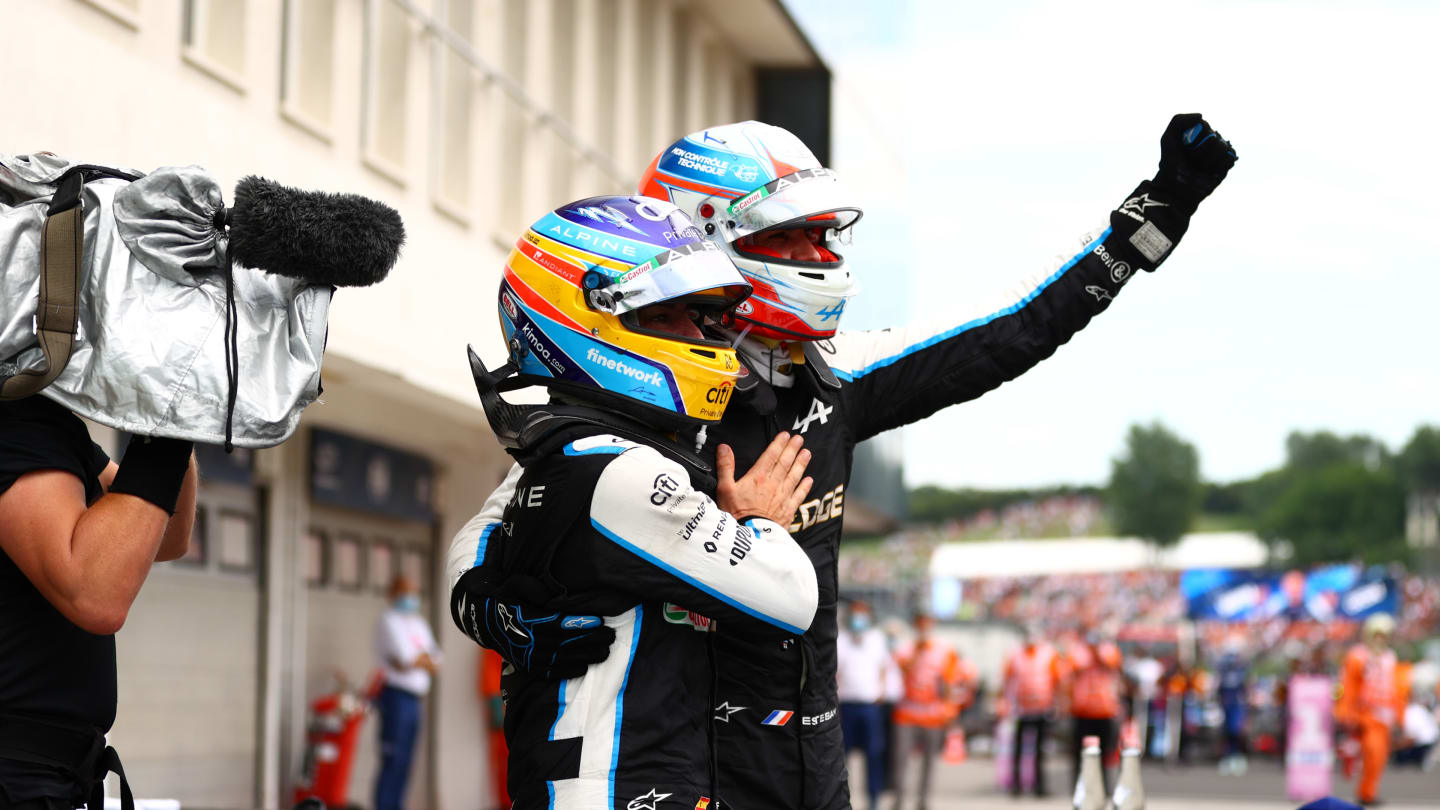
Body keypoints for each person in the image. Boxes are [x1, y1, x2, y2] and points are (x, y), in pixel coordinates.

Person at [462, 114, 1237, 809]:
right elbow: (506, 516)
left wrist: (1151, 220)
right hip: (691, 761)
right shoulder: (643, 390)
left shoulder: (838, 369)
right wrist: (492, 610)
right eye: (787, 236)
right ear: (706, 237)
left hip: (814, 747)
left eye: (823, 232)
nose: (816, 254)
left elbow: (1015, 329)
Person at [446, 195, 819, 808]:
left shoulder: (574, 453)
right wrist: (759, 519)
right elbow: (792, 596)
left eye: (699, 318)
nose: (701, 336)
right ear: (591, 320)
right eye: (672, 316)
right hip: (616, 788)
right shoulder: (621, 473)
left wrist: (483, 604)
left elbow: (476, 540)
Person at [0, 395, 197, 810]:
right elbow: (95, 594)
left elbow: (169, 535)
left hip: (50, 774)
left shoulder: (54, 432)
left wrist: (185, 413)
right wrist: (174, 401)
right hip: (16, 773)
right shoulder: (13, 424)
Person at [373, 574, 443, 810]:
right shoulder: (388, 620)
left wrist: (419, 660)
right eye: (405, 592)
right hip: (395, 698)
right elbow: (405, 659)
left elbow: (436, 660)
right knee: (392, 760)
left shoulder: (418, 623)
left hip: (414, 700)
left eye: (413, 592)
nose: (410, 598)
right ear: (393, 594)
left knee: (406, 763)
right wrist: (421, 658)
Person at [1336, 613, 1408, 805]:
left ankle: (1367, 792)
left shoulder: (1390, 657)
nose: (1380, 639)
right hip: (1365, 714)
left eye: (1384, 635)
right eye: (1377, 635)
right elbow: (1348, 686)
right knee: (1372, 752)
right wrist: (1346, 712)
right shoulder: (1358, 656)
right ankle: (1365, 793)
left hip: (1385, 716)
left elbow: (1396, 689)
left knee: (1379, 758)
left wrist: (1400, 716)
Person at [891, 614, 961, 810]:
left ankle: (923, 800)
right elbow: (902, 670)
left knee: (929, 762)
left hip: (933, 714)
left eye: (927, 623)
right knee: (901, 760)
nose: (924, 627)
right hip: (906, 714)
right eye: (920, 623)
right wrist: (917, 651)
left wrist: (950, 710)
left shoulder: (945, 650)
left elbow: (949, 682)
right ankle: (899, 798)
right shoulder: (905, 648)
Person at [836, 602, 894, 810]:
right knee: (841, 757)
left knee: (873, 754)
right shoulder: (841, 640)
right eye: (856, 615)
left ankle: (873, 799)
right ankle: (841, 799)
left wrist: (882, 693)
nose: (858, 620)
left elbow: (885, 668)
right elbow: (836, 671)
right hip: (846, 706)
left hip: (870, 707)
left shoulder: (877, 639)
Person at [1004, 628, 1063, 797]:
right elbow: (1008, 680)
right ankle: (1016, 786)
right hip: (1021, 709)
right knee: (1018, 750)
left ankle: (1039, 786)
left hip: (1042, 708)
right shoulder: (1015, 654)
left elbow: (1057, 679)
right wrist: (1006, 704)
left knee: (1040, 750)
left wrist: (1058, 704)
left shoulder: (1048, 654)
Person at [1066, 634, 1123, 794]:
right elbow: (1073, 668)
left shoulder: (1109, 650)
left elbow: (1113, 664)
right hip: (1082, 710)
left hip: (1105, 710)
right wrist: (1089, 652)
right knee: (1079, 753)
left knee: (1105, 753)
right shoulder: (1078, 651)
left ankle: (1104, 787)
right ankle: (1079, 787)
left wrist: (1098, 651)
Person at [1215, 636, 1251, 775]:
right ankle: (1227, 756)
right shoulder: (1224, 672)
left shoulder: (1241, 671)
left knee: (1236, 731)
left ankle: (1236, 756)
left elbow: (1245, 689)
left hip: (1237, 705)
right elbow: (1220, 690)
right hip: (1227, 705)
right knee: (1227, 731)